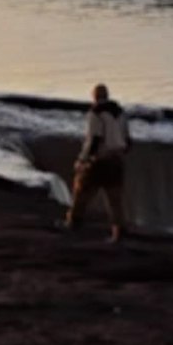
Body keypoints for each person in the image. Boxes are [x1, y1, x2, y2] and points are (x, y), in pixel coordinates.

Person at [62, 84, 132, 242]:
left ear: (94, 96)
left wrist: (83, 159)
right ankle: (119, 231)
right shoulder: (121, 113)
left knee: (81, 192)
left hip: (100, 160)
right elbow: (128, 140)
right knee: (115, 199)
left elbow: (94, 139)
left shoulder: (96, 113)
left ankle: (73, 222)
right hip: (117, 159)